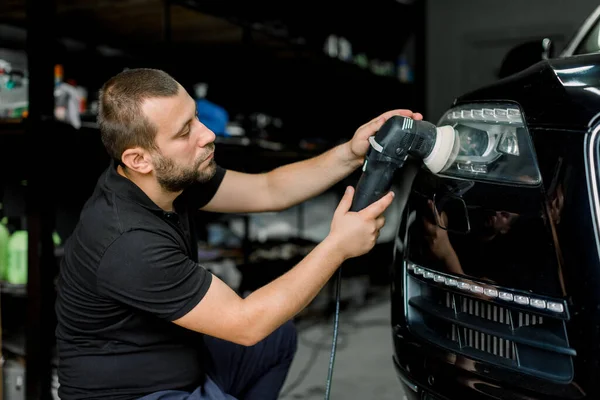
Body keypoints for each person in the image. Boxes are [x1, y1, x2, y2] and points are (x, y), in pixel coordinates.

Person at [54, 68, 423, 400]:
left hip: (182, 367)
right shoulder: (127, 239)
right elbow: (246, 323)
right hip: (135, 395)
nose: (208, 134)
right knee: (258, 328)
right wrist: (337, 247)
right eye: (186, 132)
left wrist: (350, 153)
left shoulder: (168, 177)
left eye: (195, 117)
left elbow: (269, 190)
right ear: (139, 159)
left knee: (274, 339)